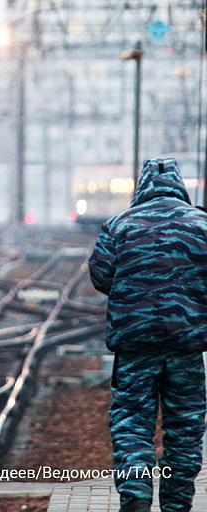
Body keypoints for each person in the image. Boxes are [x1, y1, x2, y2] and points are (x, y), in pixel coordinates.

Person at [88, 158, 207, 512]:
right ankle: (176, 505)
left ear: (141, 187)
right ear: (179, 185)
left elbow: (100, 277)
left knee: (132, 422)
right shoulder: (202, 225)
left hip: (135, 346)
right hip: (186, 346)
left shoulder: (119, 224)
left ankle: (136, 496)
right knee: (184, 430)